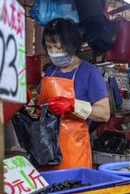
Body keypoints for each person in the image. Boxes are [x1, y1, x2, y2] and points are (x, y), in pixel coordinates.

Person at [38, 19, 110, 169]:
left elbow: (104, 113)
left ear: (72, 45)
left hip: (73, 151)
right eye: (49, 47)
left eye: (58, 47)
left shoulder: (90, 73)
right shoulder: (51, 71)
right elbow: (40, 104)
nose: (53, 53)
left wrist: (72, 106)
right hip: (47, 149)